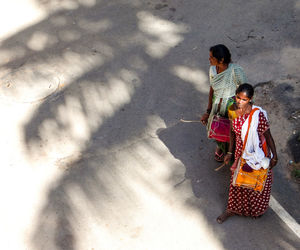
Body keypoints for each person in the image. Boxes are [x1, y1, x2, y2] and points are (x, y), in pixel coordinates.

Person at [216, 83, 278, 223]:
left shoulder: (257, 115)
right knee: (238, 181)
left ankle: (255, 210)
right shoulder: (232, 110)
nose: (239, 101)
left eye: (244, 99)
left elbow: (268, 136)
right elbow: (232, 133)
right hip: (239, 153)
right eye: (238, 97)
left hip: (255, 154)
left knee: (255, 182)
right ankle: (231, 209)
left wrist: (275, 156)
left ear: (250, 99)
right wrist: (230, 152)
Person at [201, 44, 247, 162]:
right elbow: (212, 89)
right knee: (218, 128)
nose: (209, 59)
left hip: (231, 106)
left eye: (211, 57)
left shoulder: (235, 71)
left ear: (221, 60)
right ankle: (221, 147)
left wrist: (241, 109)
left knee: (232, 131)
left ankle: (232, 154)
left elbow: (244, 90)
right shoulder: (212, 69)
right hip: (217, 105)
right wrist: (208, 110)